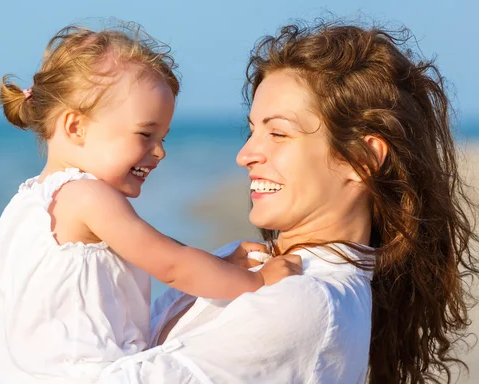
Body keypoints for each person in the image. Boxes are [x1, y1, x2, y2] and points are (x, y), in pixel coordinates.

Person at [99, 21, 479, 384]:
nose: (245, 155)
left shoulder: (309, 302)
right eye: (252, 131)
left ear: (361, 160)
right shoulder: (243, 260)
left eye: (278, 133)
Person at [0, 24, 301, 384]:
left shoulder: (24, 206)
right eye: (145, 134)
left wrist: (219, 265)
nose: (160, 151)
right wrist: (257, 281)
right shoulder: (88, 195)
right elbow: (172, 265)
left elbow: (162, 255)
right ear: (75, 127)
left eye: (162, 137)